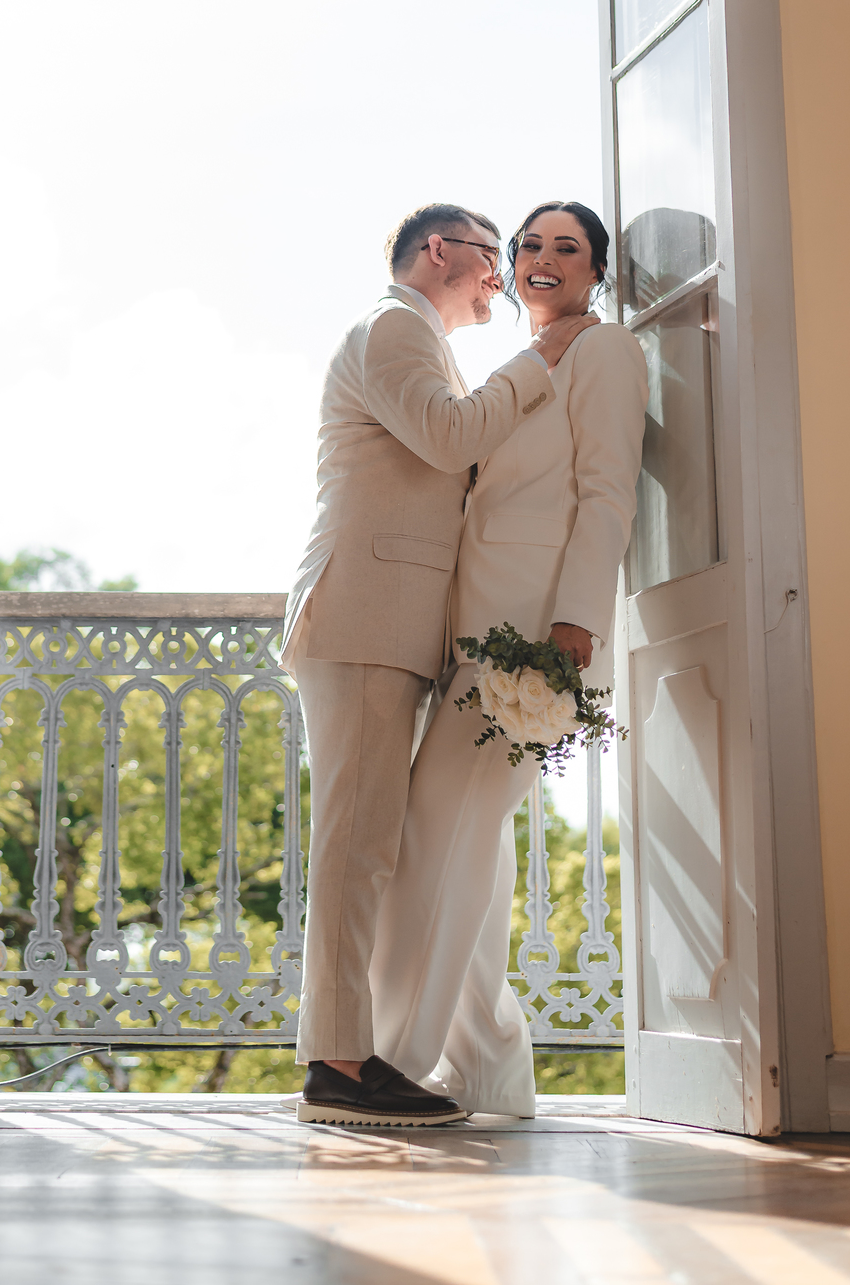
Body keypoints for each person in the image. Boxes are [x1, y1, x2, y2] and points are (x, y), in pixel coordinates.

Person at [283, 202, 597, 1127]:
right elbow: (454, 438)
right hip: (365, 617)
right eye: (495, 257)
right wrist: (543, 359)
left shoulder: (424, 344)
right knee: (357, 845)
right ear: (438, 252)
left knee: (383, 844)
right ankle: (340, 1066)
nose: (503, 277)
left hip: (398, 627)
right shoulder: (392, 328)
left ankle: (403, 1057)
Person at [369, 201, 648, 1117]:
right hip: (474, 635)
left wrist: (573, 624)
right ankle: (491, 1068)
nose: (541, 259)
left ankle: (394, 1059)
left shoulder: (604, 353)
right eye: (530, 244)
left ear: (595, 272)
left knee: (437, 833)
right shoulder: (516, 364)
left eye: (568, 248)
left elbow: (606, 496)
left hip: (533, 637)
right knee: (466, 842)